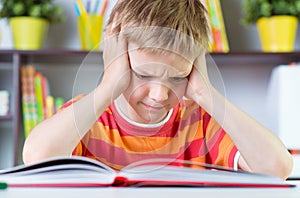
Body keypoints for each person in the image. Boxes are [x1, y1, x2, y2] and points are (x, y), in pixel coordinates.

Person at [22, 0, 292, 179]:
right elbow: (36, 158)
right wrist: (107, 87)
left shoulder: (203, 124)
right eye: (143, 74)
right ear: (116, 57)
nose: (159, 95)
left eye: (177, 77)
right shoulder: (86, 119)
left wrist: (205, 94)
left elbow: (277, 168)